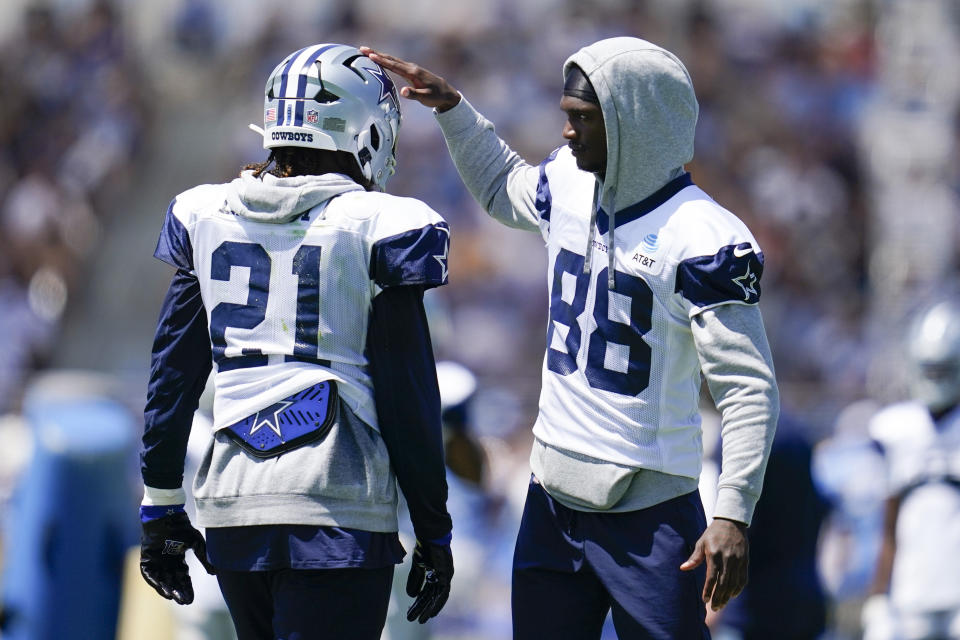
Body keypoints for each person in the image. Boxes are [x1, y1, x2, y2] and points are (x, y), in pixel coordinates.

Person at [362, 36, 779, 639]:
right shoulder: (568, 183)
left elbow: (747, 389)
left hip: (649, 509)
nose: (566, 133)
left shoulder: (703, 235)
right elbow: (506, 189)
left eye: (582, 119)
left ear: (632, 123)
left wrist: (734, 512)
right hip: (551, 498)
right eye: (566, 116)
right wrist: (455, 111)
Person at [137, 43, 454, 640]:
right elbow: (407, 392)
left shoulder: (207, 213)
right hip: (336, 505)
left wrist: (160, 502)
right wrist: (433, 529)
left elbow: (171, 378)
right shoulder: (378, 224)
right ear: (364, 129)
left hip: (234, 503)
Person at [862, 301, 960, 640]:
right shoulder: (895, 429)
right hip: (911, 593)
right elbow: (888, 523)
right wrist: (878, 595)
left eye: (943, 369)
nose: (935, 379)